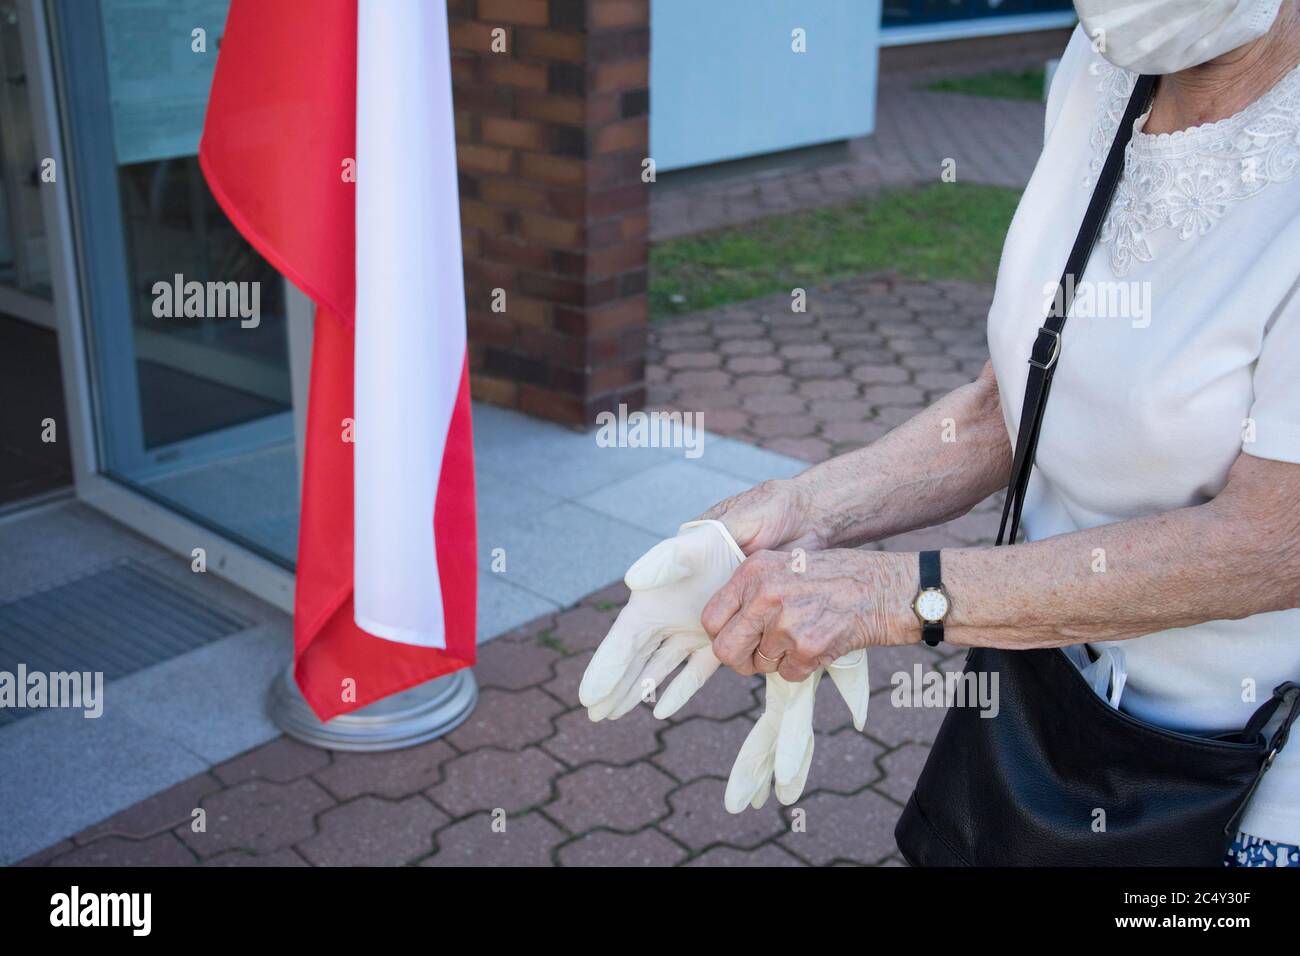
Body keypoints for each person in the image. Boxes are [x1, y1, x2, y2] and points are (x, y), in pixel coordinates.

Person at [696, 0, 1300, 866]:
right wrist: (808, 506)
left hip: (1233, 783)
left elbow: (1272, 543)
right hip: (1045, 705)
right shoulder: (1103, 67)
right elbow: (1013, 399)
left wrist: (893, 595)